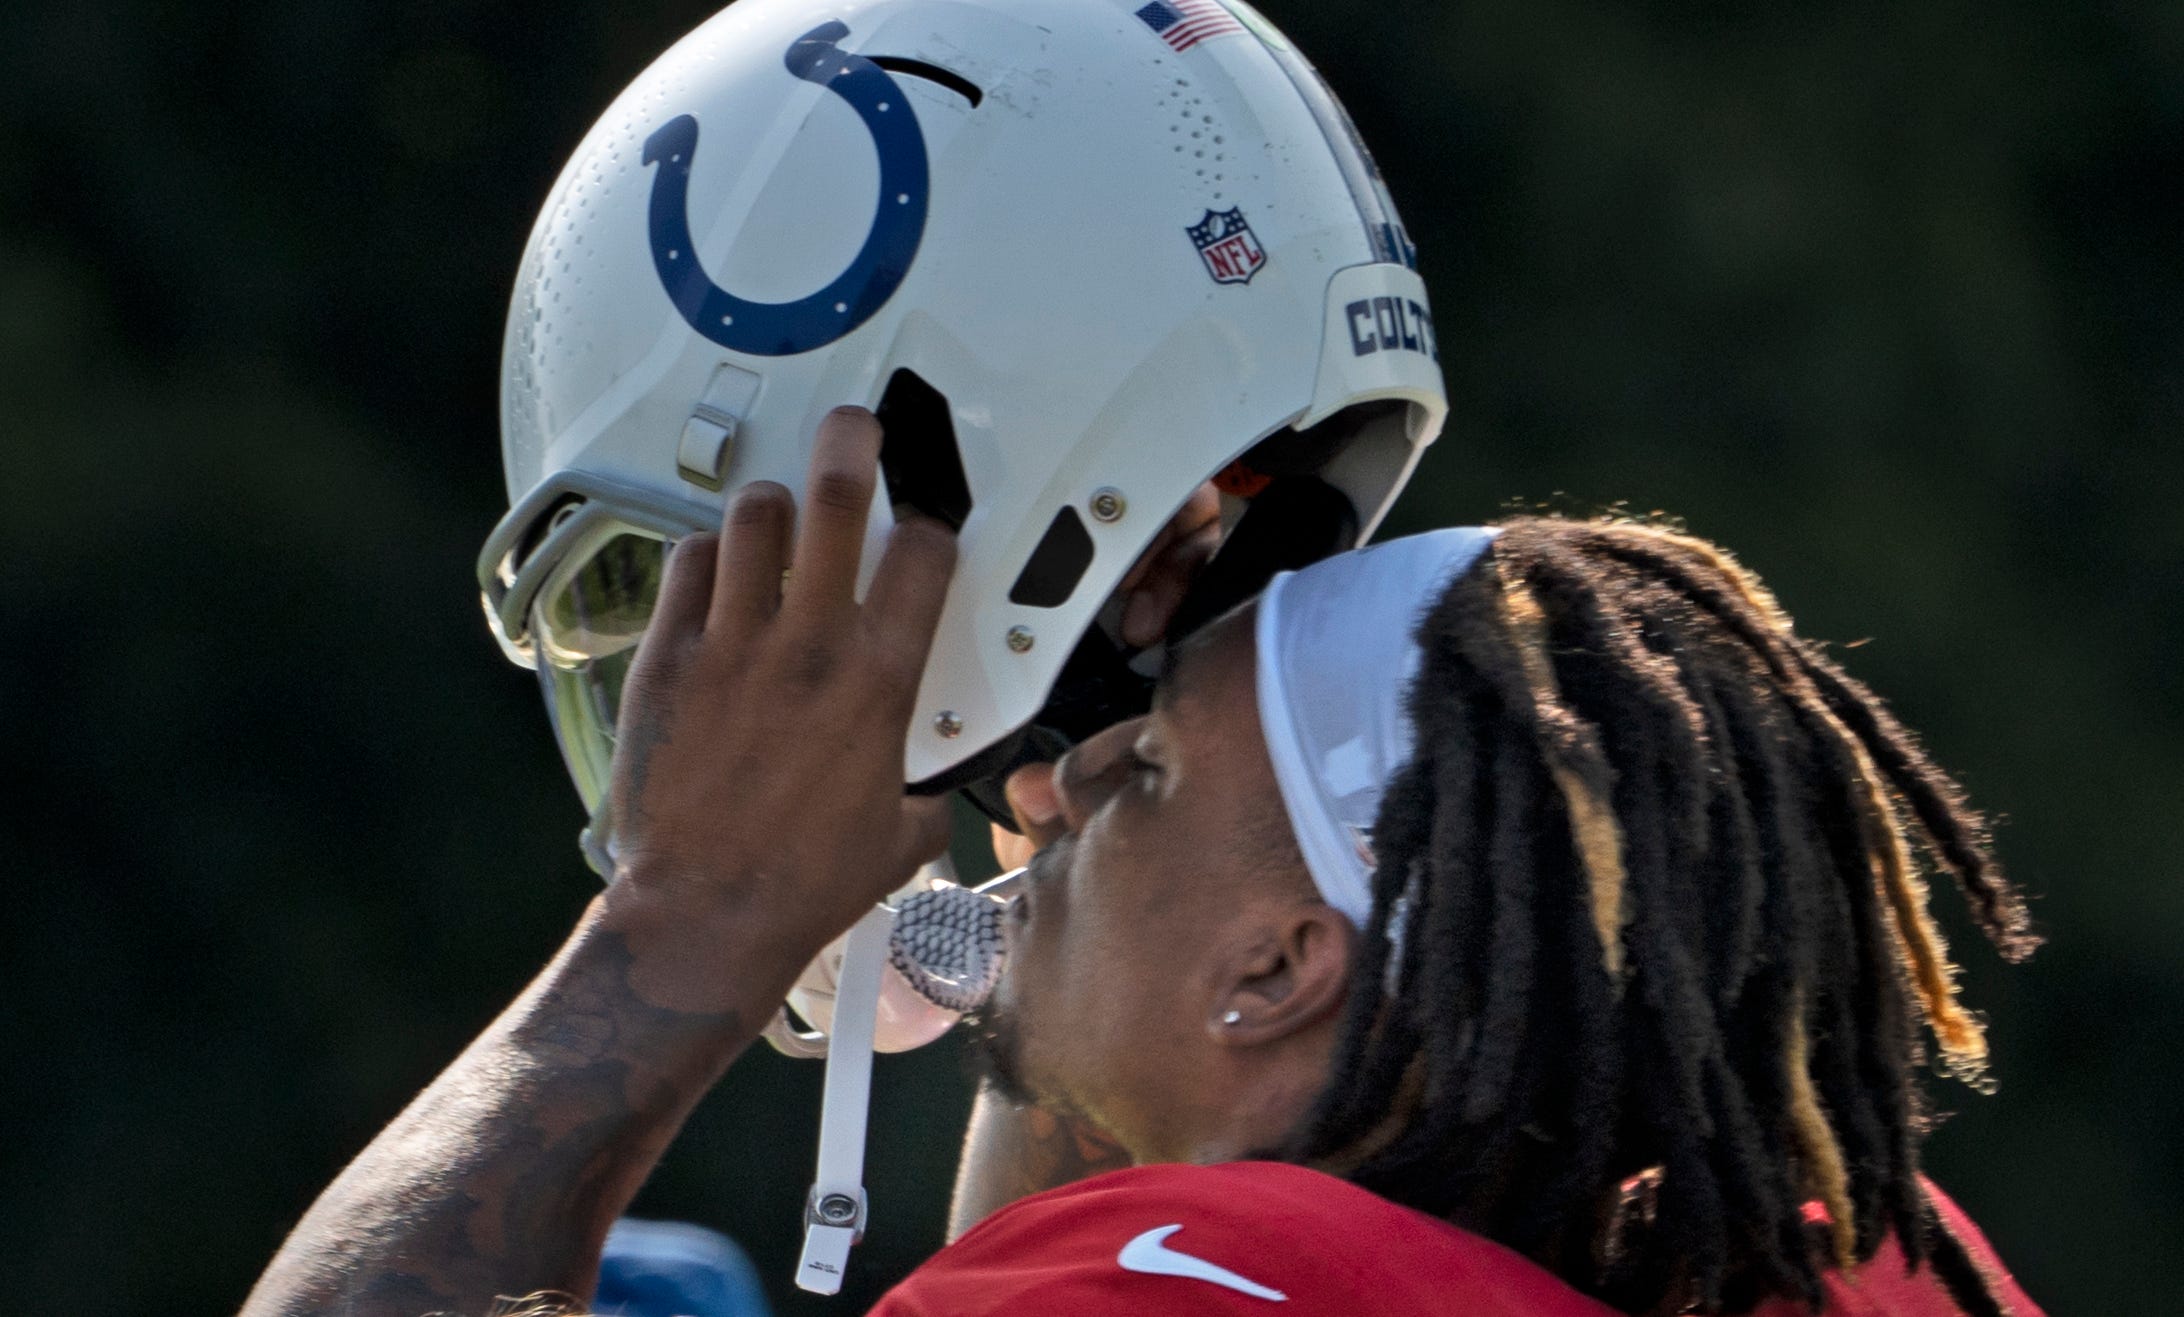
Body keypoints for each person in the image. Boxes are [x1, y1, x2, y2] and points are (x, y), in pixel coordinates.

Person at [242, 410, 2044, 1316]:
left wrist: (687, 921)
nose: (1063, 777)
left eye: (1151, 764)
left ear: (1274, 967)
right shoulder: (1836, 1249)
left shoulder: (1213, 1276)